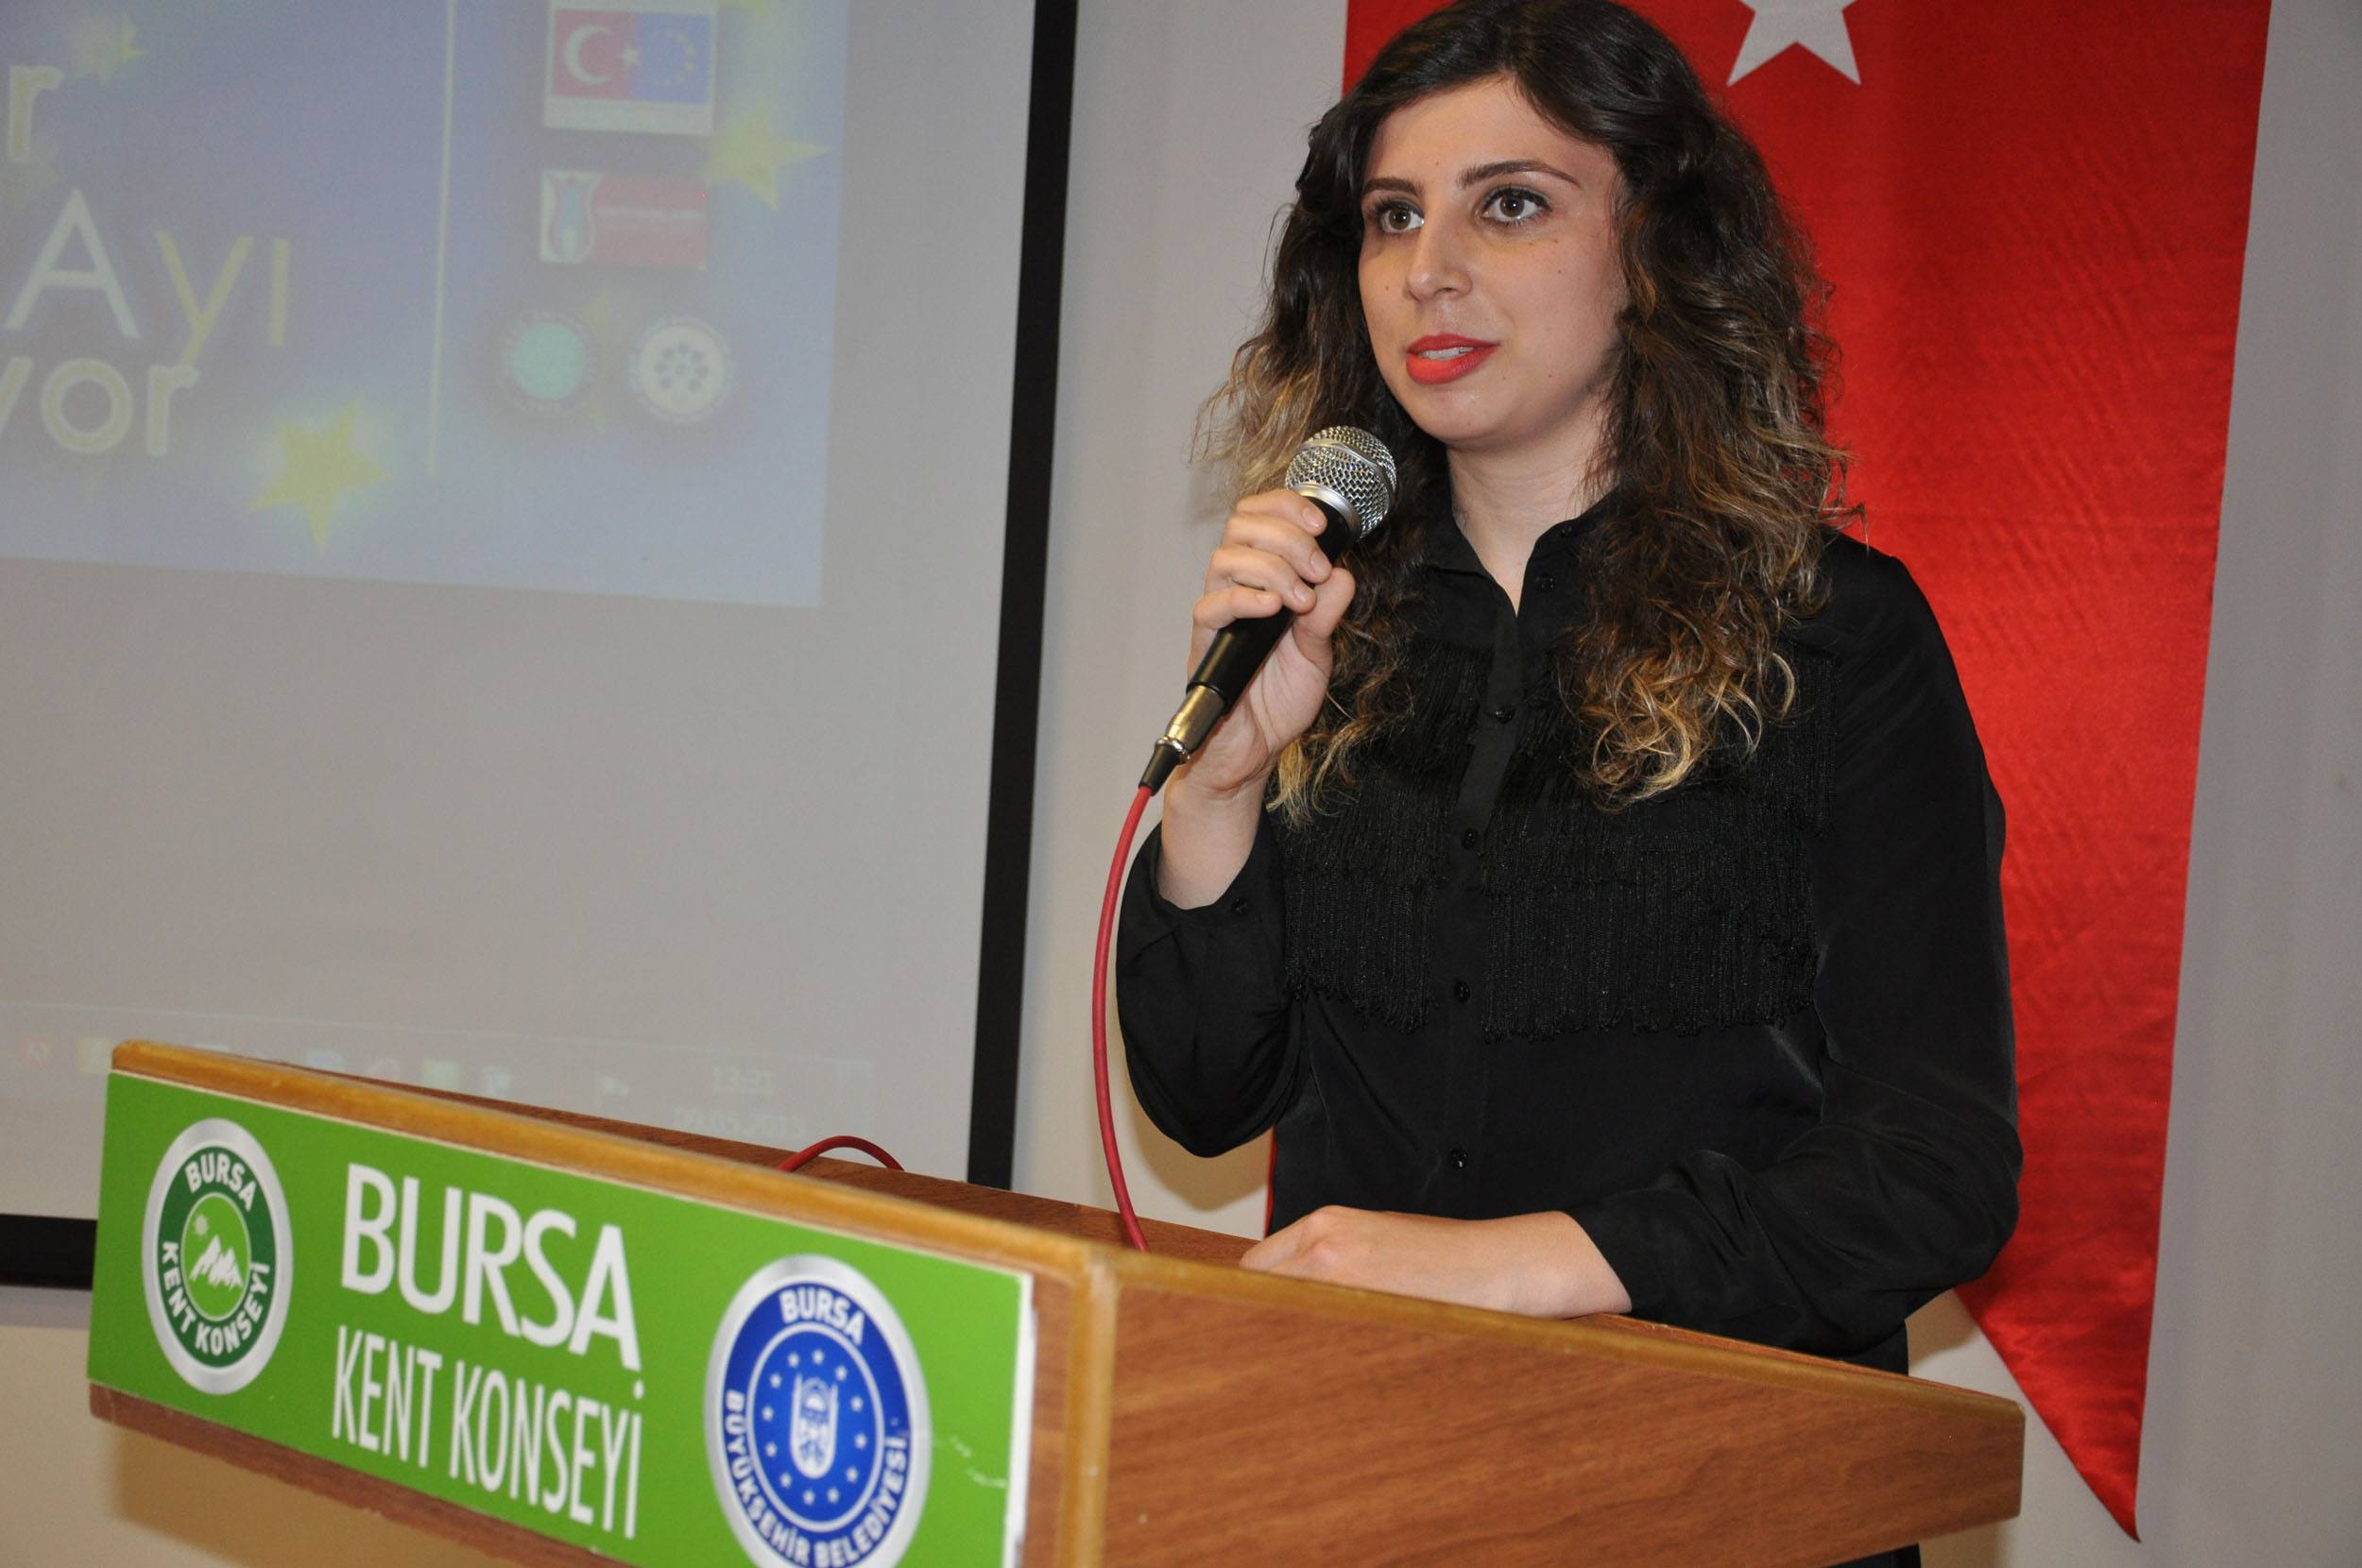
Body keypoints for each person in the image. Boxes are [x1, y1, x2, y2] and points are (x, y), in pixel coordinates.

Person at [1115, 4, 2020, 1562]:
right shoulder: (1327, 623)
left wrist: (1534, 1265)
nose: (1430, 270)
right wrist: (1222, 788)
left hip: (1719, 1501)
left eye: (1511, 205)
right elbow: (1200, 1098)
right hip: (1361, 1486)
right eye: (1394, 217)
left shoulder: (1835, 637)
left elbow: (1933, 1174)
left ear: (1652, 249)